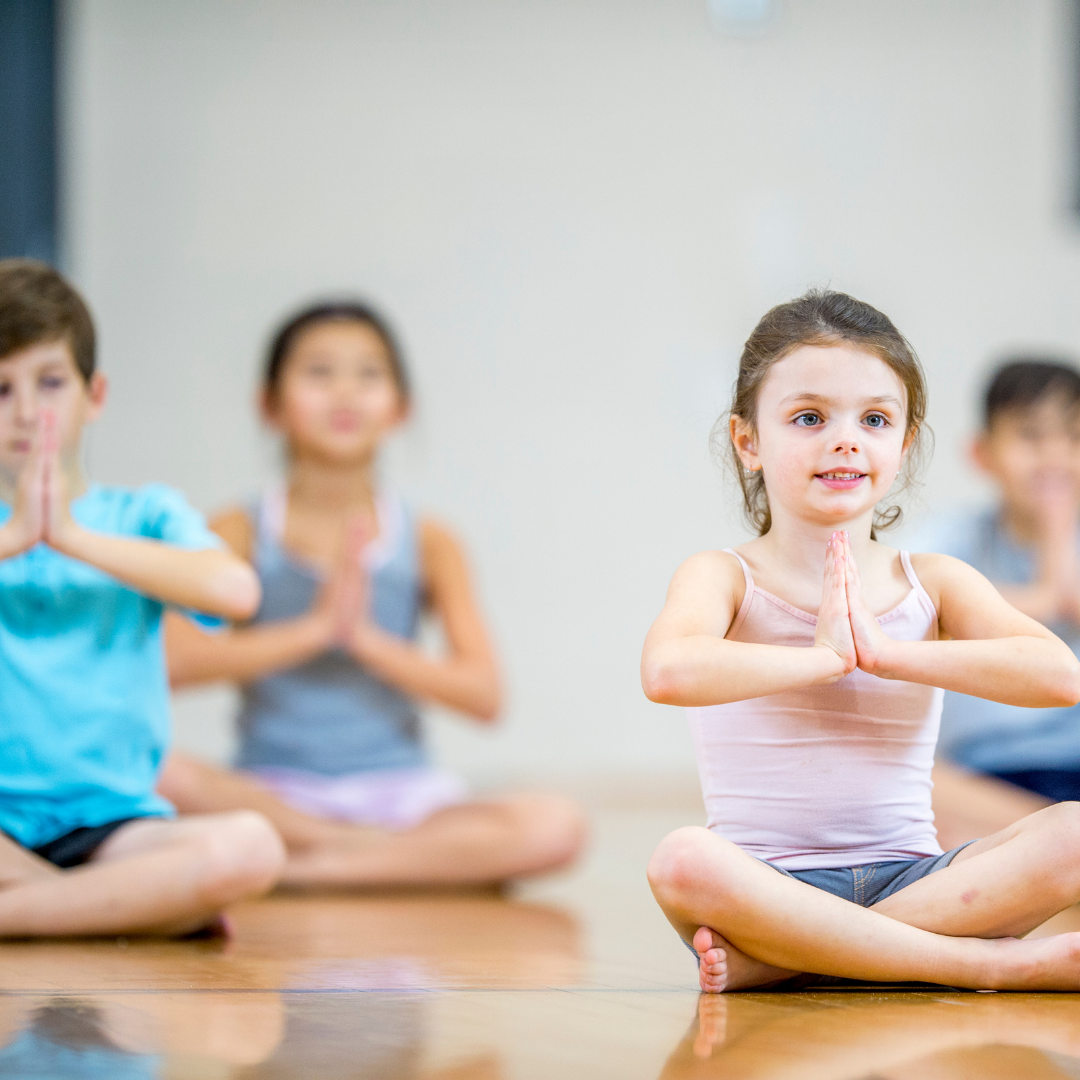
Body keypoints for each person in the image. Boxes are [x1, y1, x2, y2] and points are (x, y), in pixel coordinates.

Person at [642, 289, 1080, 993]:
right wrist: (820, 659)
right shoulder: (721, 575)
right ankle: (983, 964)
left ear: (903, 444)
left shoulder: (932, 579)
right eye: (809, 417)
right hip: (768, 883)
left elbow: (1059, 673)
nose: (845, 439)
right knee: (682, 861)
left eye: (874, 419)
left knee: (1075, 835)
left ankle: (797, 958)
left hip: (915, 873)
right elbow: (667, 671)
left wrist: (886, 653)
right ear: (748, 441)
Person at [158, 300, 585, 887]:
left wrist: (365, 641)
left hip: (403, 801)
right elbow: (171, 663)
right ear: (270, 404)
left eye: (369, 374)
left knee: (555, 823)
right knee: (156, 772)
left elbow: (484, 695)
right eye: (318, 372)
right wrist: (309, 632)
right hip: (272, 793)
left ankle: (302, 872)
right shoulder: (236, 531)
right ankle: (371, 861)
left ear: (400, 407)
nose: (345, 394)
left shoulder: (431, 541)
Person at [0, 259, 285, 937]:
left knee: (251, 846)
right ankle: (116, 907)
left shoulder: (145, 515)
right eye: (0, 387)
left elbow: (235, 590)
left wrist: (69, 537)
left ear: (94, 395)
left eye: (49, 382)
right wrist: (17, 537)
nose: (26, 410)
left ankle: (31, 910)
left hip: (115, 826)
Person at [917, 360, 1080, 807]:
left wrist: (1057, 540)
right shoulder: (954, 536)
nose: (1054, 457)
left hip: (1073, 757)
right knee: (916, 788)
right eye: (1031, 436)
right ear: (982, 453)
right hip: (986, 770)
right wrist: (1044, 596)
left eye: (1073, 437)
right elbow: (911, 598)